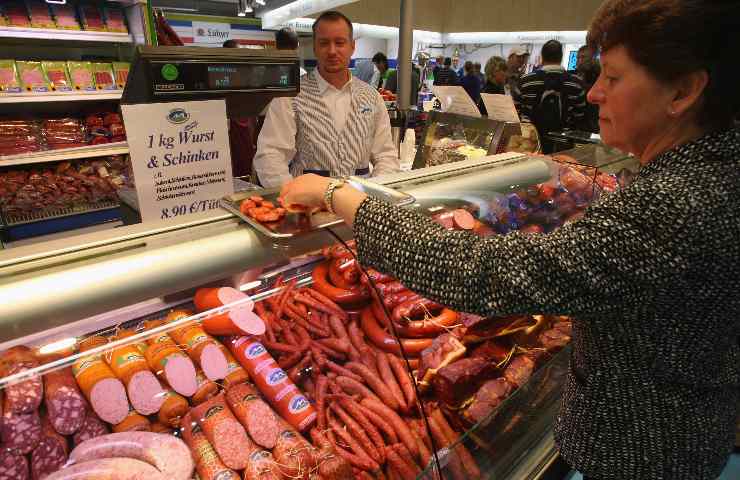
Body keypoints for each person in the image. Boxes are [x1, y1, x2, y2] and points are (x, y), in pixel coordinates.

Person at [279, 1, 740, 479]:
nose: (595, 93)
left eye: (614, 78)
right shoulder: (710, 169)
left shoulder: (676, 201)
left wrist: (341, 197)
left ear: (683, 92)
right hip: (681, 431)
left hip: (645, 450)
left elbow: (488, 272)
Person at [253, 11, 399, 188]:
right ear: (314, 47)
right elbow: (270, 156)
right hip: (308, 207)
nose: (332, 51)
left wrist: (373, 195)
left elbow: (386, 156)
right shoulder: (290, 96)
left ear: (352, 46)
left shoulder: (372, 97)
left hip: (360, 203)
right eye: (324, 43)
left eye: (339, 42)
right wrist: (293, 199)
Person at [518, 39, 587, 152]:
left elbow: (518, 111)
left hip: (530, 144)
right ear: (561, 56)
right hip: (563, 145)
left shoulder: (526, 80)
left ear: (542, 56)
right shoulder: (576, 83)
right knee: (562, 170)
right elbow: (579, 115)